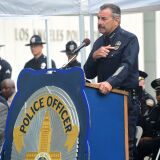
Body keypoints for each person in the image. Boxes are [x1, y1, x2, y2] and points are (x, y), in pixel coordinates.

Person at [84, 4, 140, 159]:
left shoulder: (129, 39)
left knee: (125, 147)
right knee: (104, 143)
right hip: (103, 100)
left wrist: (110, 82)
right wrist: (94, 57)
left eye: (104, 18)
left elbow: (126, 66)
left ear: (117, 20)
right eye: (98, 18)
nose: (99, 22)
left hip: (125, 99)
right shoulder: (98, 42)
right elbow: (88, 72)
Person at [136, 78, 160, 160]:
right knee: (135, 148)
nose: (158, 96)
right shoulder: (155, 109)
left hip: (157, 141)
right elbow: (148, 124)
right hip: (155, 140)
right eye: (157, 93)